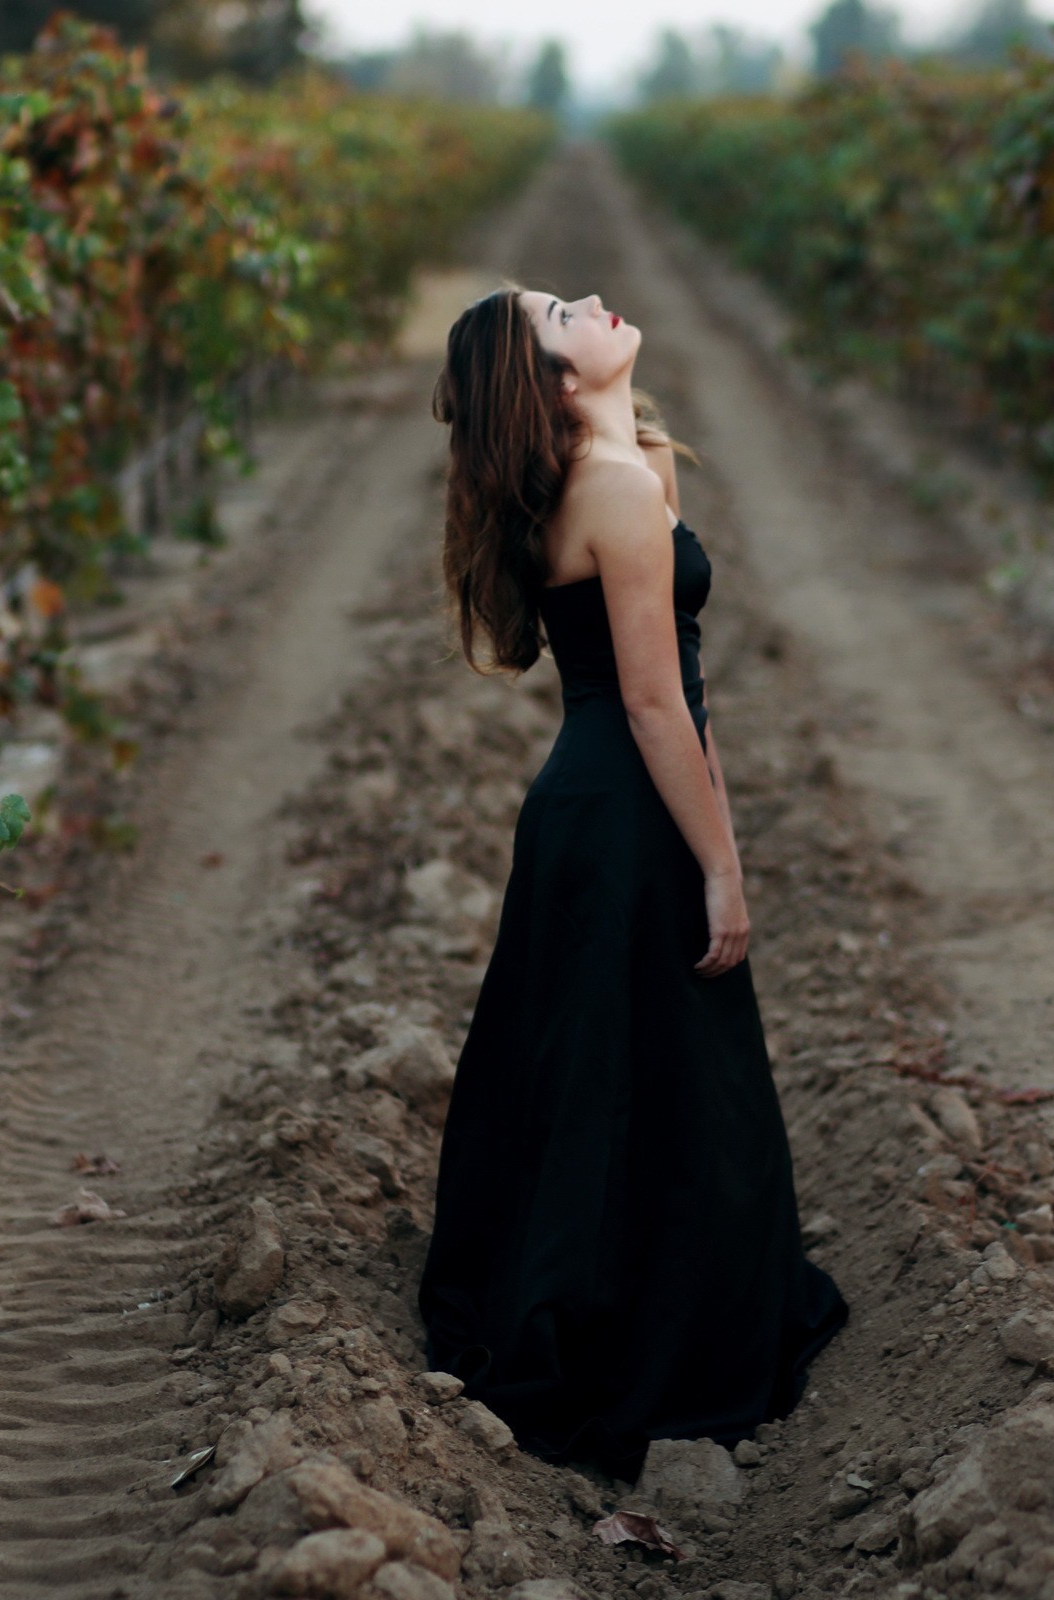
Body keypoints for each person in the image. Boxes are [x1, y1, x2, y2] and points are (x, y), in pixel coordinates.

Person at [416, 284, 849, 1481]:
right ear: (552, 380)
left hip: (611, 803)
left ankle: (666, 1304)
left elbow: (686, 686)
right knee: (641, 1078)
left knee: (650, 1071)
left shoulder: (634, 457)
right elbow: (652, 702)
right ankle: (641, 1342)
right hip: (616, 812)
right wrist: (715, 861)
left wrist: (725, 845)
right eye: (565, 313)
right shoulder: (607, 488)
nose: (596, 302)